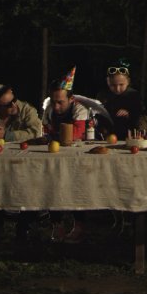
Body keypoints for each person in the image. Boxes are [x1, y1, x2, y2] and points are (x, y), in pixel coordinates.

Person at [0, 82, 43, 253]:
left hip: (26, 166)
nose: (14, 105)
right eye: (8, 105)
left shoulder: (26, 110)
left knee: (31, 189)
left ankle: (24, 228)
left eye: (14, 100)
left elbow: (36, 132)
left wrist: (8, 135)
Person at [41, 67, 90, 243]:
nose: (56, 106)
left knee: (77, 187)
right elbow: (45, 131)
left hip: (78, 156)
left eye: (60, 102)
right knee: (53, 186)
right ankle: (57, 223)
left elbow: (75, 133)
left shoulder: (80, 109)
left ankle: (79, 225)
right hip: (56, 156)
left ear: (71, 99)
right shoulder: (49, 110)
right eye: (53, 101)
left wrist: (53, 136)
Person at [96, 61, 142, 140]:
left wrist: (129, 113)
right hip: (107, 136)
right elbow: (98, 117)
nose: (117, 89)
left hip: (128, 137)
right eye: (113, 85)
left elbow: (140, 116)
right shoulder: (102, 95)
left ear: (128, 82)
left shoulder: (134, 95)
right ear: (108, 81)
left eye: (121, 85)